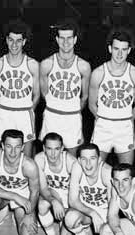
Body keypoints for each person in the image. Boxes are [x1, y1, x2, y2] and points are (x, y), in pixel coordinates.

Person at [89, 27, 135, 164]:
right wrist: (104, 119)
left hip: (124, 128)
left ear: (129, 50)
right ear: (109, 49)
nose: (119, 54)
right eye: (116, 49)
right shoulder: (98, 73)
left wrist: (126, 120)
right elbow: (91, 104)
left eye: (124, 50)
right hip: (103, 127)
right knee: (96, 170)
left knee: (126, 172)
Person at [39, 18, 91, 156]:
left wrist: (71, 109)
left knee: (72, 160)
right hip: (52, 116)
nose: (65, 42)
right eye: (62, 38)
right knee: (48, 159)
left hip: (72, 119)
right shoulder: (46, 64)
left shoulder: (83, 66)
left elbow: (85, 96)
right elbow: (44, 93)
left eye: (69, 38)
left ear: (75, 39)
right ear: (57, 39)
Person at [0, 20, 40, 157]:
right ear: (6, 40)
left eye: (18, 41)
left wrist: (27, 109)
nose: (14, 44)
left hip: (24, 115)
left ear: (24, 42)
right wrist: (6, 108)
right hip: (4, 114)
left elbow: (36, 95)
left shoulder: (32, 65)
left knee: (26, 157)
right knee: (1, 156)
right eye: (11, 40)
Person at [67, 143, 112, 235]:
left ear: (99, 159)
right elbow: (72, 201)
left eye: (92, 158)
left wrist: (107, 226)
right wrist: (93, 214)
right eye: (84, 159)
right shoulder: (76, 167)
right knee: (69, 220)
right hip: (85, 210)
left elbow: (114, 207)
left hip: (105, 211)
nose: (88, 164)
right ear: (79, 160)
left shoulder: (107, 172)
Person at [34, 132, 76, 235]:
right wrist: (54, 201)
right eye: (49, 149)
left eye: (57, 149)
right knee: (42, 205)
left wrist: (70, 209)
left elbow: (78, 192)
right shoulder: (39, 159)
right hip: (52, 193)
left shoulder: (70, 161)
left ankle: (75, 223)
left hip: (70, 197)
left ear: (62, 148)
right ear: (44, 148)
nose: (53, 154)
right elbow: (43, 188)